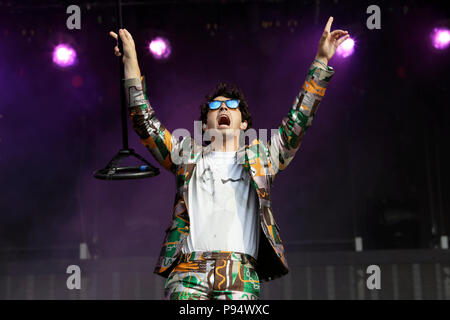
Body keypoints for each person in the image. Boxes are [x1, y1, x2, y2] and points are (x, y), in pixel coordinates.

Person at [109, 16, 349, 300]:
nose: (223, 106)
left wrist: (321, 60)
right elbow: (144, 121)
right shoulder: (186, 154)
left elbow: (298, 122)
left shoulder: (263, 157)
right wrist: (131, 61)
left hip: (239, 273)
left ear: (244, 123)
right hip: (188, 271)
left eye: (231, 105)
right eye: (215, 105)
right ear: (206, 124)